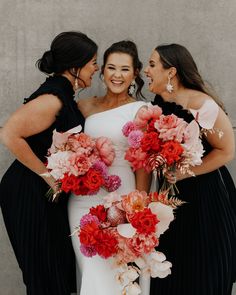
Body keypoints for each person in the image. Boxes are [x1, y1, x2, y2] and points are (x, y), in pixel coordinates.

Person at [0, 31, 98, 295]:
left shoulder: (65, 95)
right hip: (28, 192)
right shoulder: (52, 98)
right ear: (75, 66)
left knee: (56, 272)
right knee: (44, 274)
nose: (96, 69)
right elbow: (8, 134)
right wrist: (48, 177)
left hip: (45, 195)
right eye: (93, 62)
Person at [144, 43, 236, 295]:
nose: (145, 71)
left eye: (152, 65)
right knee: (172, 272)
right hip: (169, 199)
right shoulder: (157, 105)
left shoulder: (201, 103)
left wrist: (186, 172)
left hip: (205, 198)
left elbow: (227, 150)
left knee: (202, 270)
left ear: (171, 71)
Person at [68, 40, 151, 295]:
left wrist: (139, 209)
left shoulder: (141, 110)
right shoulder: (84, 106)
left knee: (121, 271)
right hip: (84, 200)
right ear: (102, 70)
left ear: (135, 73)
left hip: (123, 199)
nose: (117, 75)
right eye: (111, 68)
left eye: (125, 69)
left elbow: (143, 163)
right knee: (92, 270)